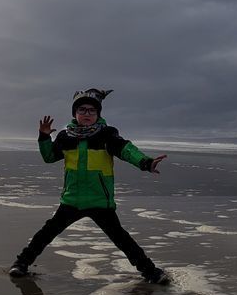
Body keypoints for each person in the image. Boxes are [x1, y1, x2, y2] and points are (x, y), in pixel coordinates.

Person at [9, 88, 172, 285]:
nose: (87, 114)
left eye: (92, 111)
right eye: (82, 110)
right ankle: (21, 264)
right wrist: (44, 137)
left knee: (122, 240)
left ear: (98, 114)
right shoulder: (65, 137)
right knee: (46, 234)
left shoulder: (107, 135)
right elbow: (49, 157)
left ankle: (151, 272)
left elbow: (127, 150)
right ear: (75, 114)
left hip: (99, 201)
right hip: (72, 199)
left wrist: (146, 162)